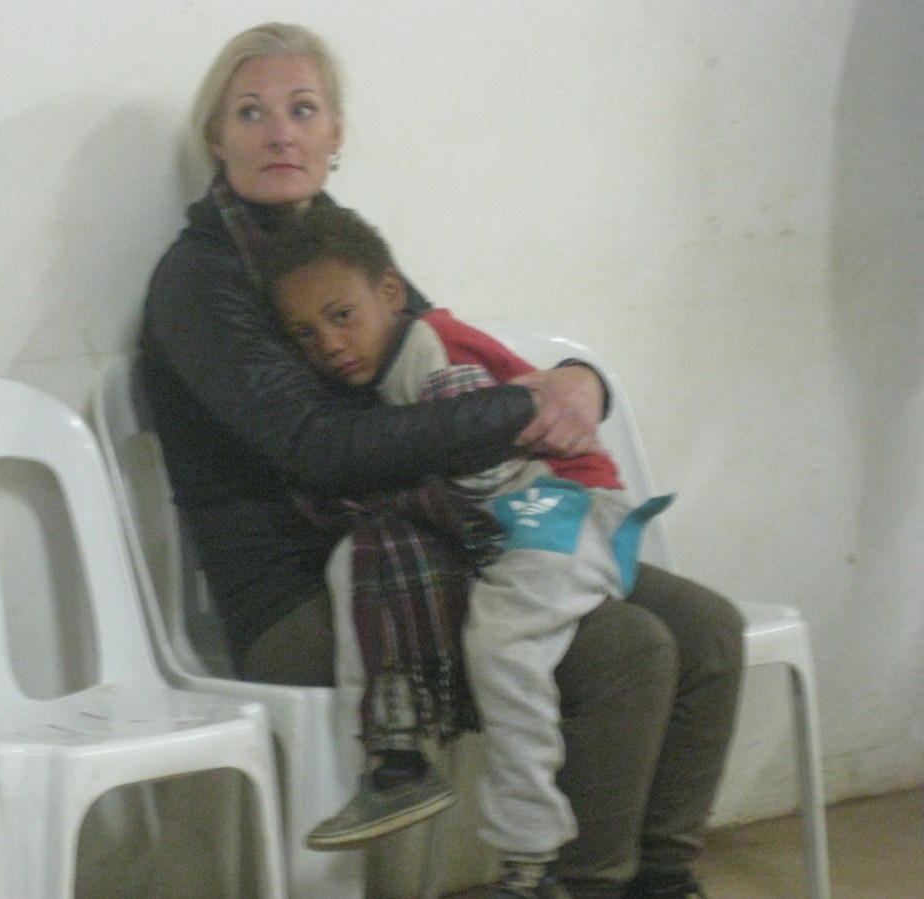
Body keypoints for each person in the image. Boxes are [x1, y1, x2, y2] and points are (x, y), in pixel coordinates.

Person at [139, 21, 743, 899]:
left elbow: (455, 361)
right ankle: (583, 886)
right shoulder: (199, 280)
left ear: (335, 133)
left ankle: (661, 880)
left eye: (302, 109)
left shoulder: (338, 250)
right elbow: (324, 451)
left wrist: (580, 383)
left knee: (708, 628)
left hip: (442, 532)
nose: (279, 134)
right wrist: (522, 408)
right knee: (626, 648)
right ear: (216, 139)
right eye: (251, 113)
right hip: (307, 588)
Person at [261, 203, 676, 895]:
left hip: (565, 505)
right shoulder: (380, 369)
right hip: (513, 512)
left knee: (502, 639)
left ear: (390, 293)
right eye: (306, 333)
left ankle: (529, 856)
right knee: (352, 563)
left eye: (342, 315)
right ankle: (392, 760)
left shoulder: (434, 352)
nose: (328, 343)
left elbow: (485, 464)